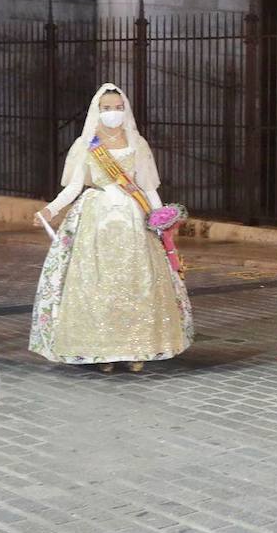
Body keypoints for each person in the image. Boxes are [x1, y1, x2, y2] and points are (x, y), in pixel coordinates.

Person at [30, 84, 192, 372]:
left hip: (133, 219)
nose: (113, 113)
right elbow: (74, 188)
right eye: (107, 108)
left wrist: (161, 218)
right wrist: (50, 210)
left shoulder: (137, 143)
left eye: (118, 108)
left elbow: (147, 187)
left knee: (135, 283)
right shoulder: (87, 144)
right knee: (98, 284)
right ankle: (102, 350)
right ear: (98, 110)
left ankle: (135, 348)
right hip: (97, 219)